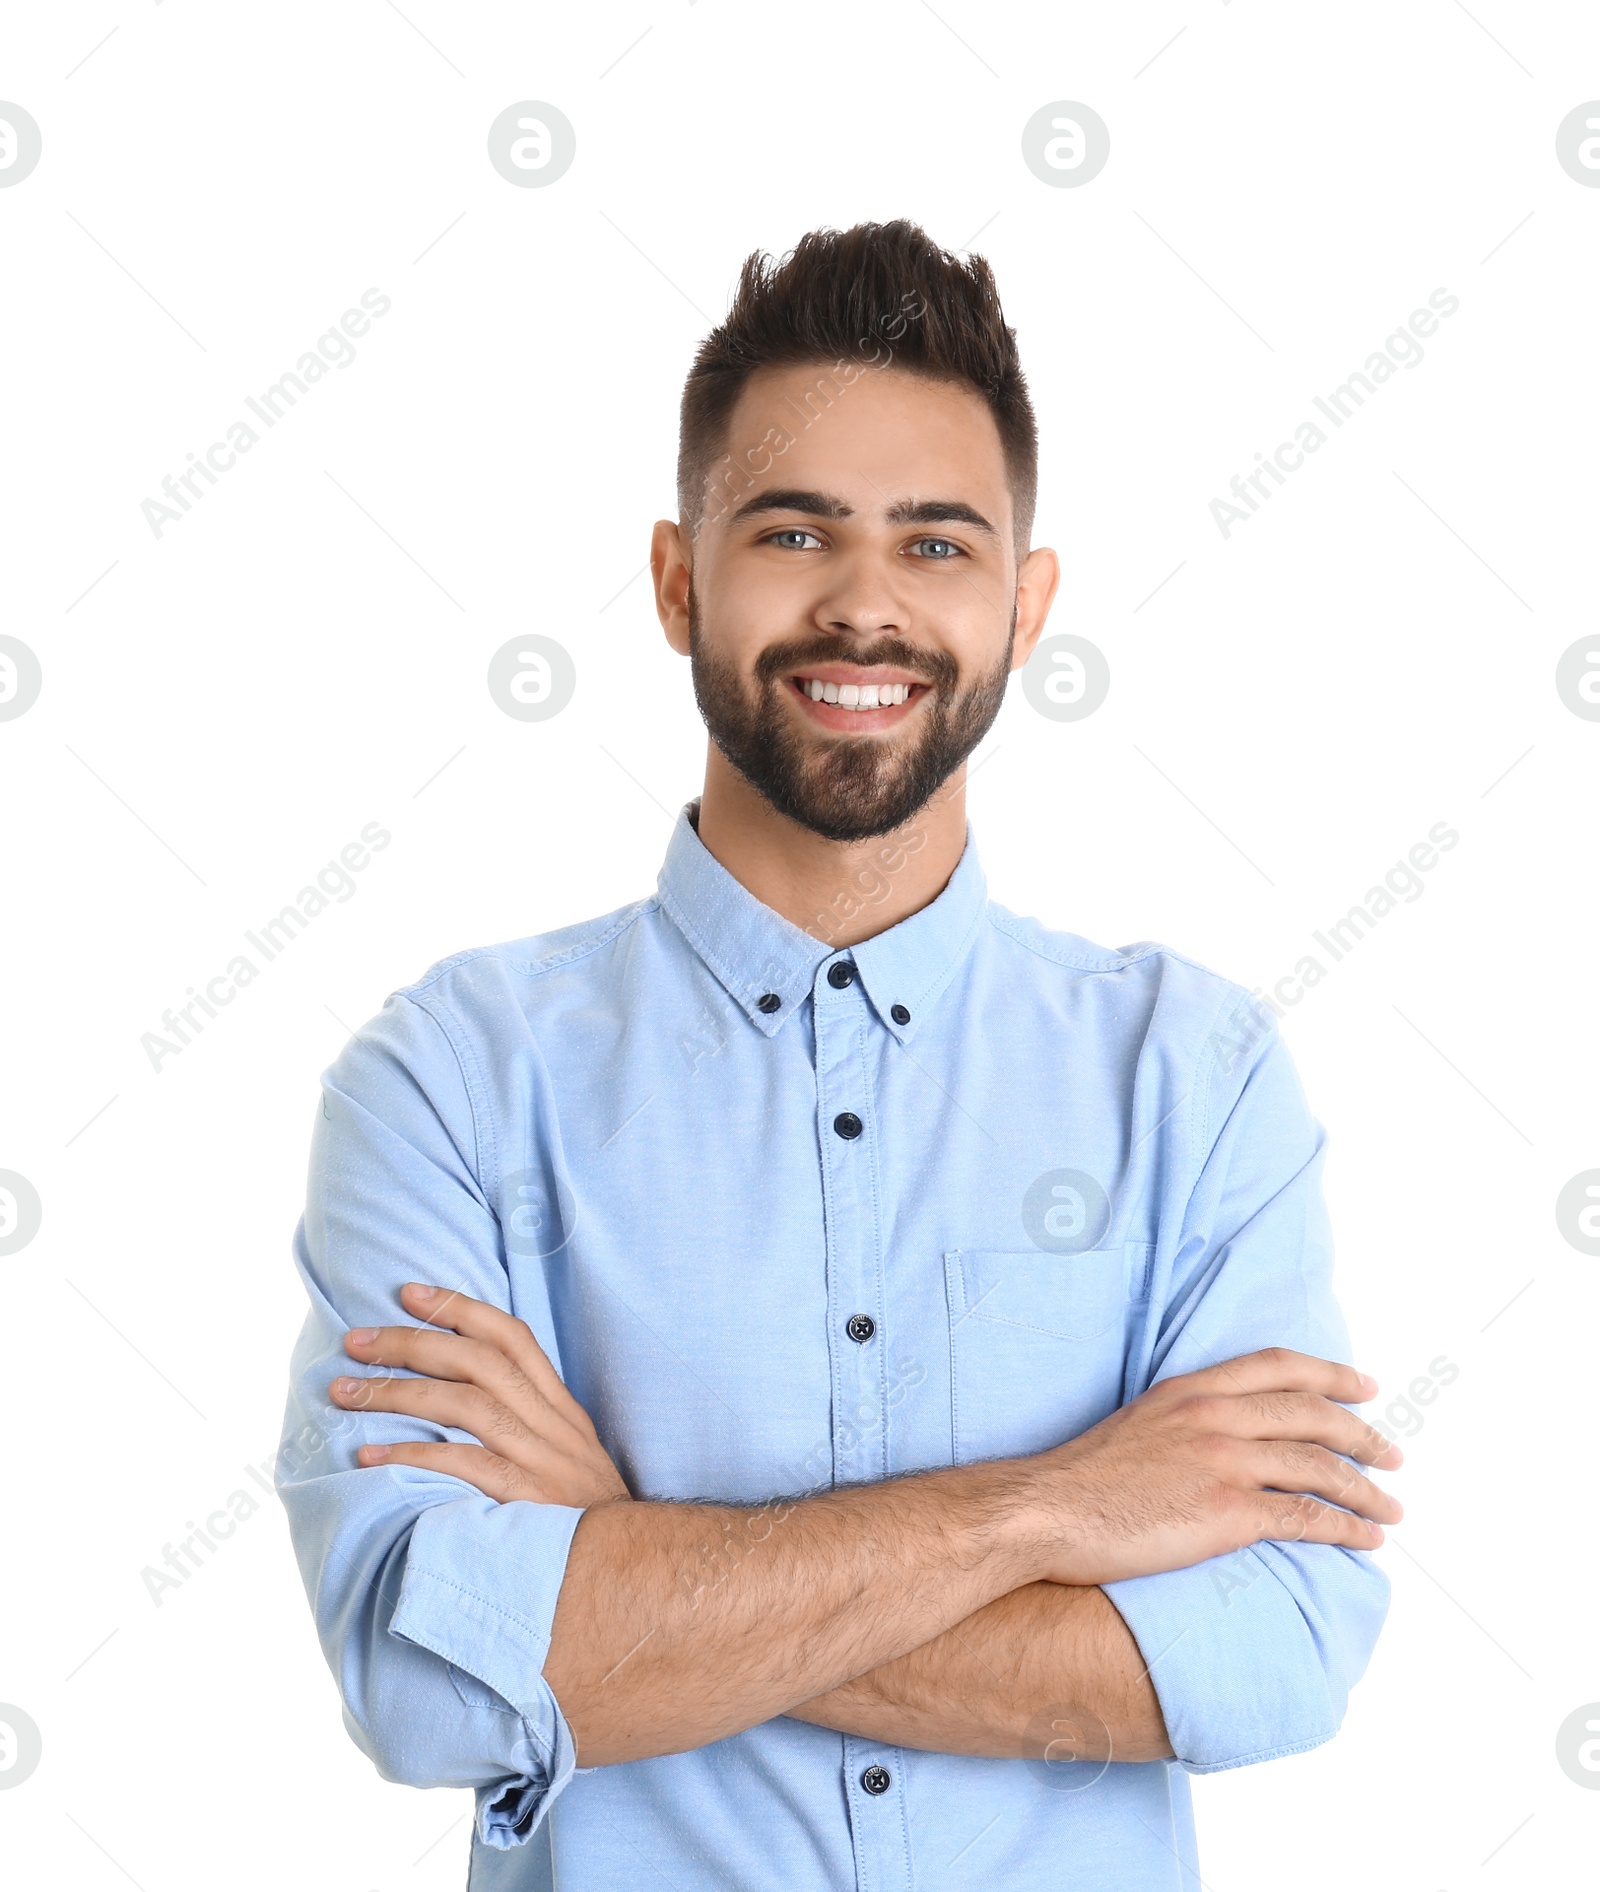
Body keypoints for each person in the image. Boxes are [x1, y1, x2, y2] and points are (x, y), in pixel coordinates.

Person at [278, 219, 1398, 1889]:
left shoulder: (1195, 1077)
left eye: (938, 547)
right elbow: (425, 1677)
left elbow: (1277, 1656)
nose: (865, 604)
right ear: (678, 581)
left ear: (1025, 607)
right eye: (795, 531)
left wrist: (618, 1558)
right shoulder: (451, 1078)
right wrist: (1052, 1515)